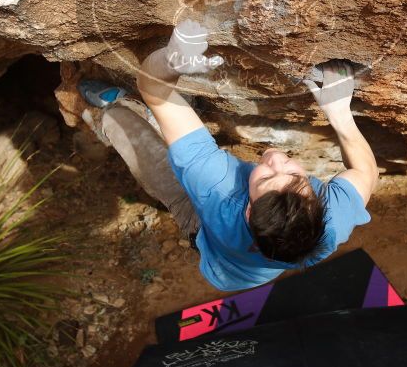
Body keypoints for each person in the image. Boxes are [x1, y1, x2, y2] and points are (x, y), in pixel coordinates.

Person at [80, 20, 378, 291]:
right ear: (319, 205)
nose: (276, 161)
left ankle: (111, 111)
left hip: (208, 241)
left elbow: (154, 90)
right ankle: (156, 122)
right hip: (242, 277)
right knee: (175, 140)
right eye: (294, 175)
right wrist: (339, 112)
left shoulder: (218, 190)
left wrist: (171, 62)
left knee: (145, 150)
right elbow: (367, 175)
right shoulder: (332, 222)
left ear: (248, 211)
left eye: (267, 179)